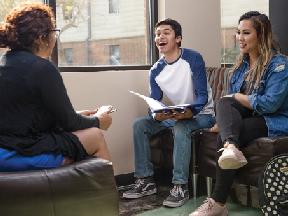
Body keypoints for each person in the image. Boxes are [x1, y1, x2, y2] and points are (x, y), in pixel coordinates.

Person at [190, 11, 288, 216]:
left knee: (228, 109)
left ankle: (218, 203)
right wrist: (223, 122)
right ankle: (231, 147)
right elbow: (229, 105)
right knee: (227, 123)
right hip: (249, 118)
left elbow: (270, 104)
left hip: (274, 120)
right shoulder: (240, 67)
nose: (240, 38)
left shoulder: (279, 64)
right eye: (238, 32)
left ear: (261, 35)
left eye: (246, 33)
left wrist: (237, 97)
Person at [0, 2, 114, 171]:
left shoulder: (4, 63)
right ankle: (104, 196)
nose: (54, 38)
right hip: (22, 152)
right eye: (54, 32)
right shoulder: (42, 67)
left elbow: (22, 117)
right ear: (40, 38)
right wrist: (99, 120)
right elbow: (70, 124)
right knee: (95, 136)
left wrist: (75, 115)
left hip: (4, 148)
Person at [123, 18, 215, 208]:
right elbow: (154, 100)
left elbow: (202, 96)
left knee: (182, 126)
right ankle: (145, 181)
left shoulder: (193, 58)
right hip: (177, 115)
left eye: (166, 32)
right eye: (157, 34)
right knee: (140, 124)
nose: (160, 37)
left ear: (178, 38)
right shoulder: (156, 70)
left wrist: (190, 112)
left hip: (202, 115)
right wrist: (156, 114)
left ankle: (180, 186)